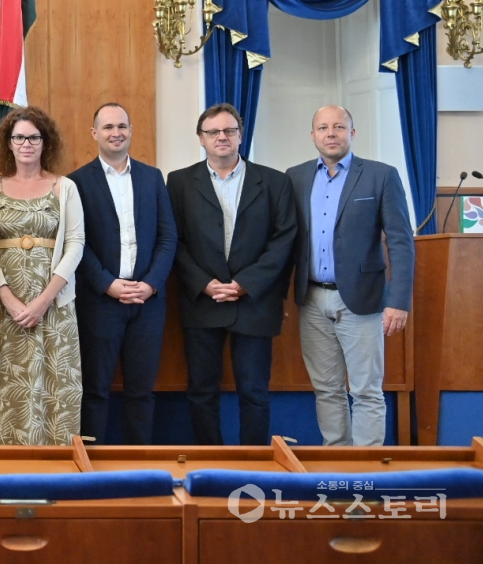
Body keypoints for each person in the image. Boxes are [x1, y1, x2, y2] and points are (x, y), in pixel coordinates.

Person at [167, 103, 297, 446]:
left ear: (241, 135)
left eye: (229, 131)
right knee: (201, 390)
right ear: (201, 139)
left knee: (254, 391)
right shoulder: (179, 182)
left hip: (254, 300)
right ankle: (210, 461)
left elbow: (283, 241)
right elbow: (173, 241)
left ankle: (253, 465)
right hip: (202, 300)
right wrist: (204, 283)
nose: (221, 137)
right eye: (213, 132)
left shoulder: (274, 182)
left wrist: (245, 284)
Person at [287, 105, 414, 446]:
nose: (331, 133)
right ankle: (337, 463)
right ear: (313, 135)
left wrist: (398, 301)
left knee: (366, 390)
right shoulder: (295, 177)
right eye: (323, 127)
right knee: (326, 390)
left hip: (363, 298)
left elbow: (401, 241)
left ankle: (367, 471)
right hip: (311, 298)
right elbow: (286, 239)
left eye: (339, 127)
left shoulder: (380, 175)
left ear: (352, 133)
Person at [0, 106, 85, 445]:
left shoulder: (64, 187)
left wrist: (42, 301)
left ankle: (54, 472)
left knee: (53, 388)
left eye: (33, 137)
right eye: (19, 137)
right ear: (8, 143)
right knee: (8, 387)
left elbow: (76, 244)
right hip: (2, 308)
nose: (26, 143)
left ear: (44, 142)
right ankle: (3, 472)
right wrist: (8, 298)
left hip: (53, 306)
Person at [69, 102, 177, 445]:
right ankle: (88, 469)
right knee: (95, 390)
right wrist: (107, 284)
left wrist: (150, 284)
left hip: (147, 303)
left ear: (130, 130)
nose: (116, 133)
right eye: (108, 127)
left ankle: (139, 467)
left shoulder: (152, 177)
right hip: (100, 301)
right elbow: (77, 243)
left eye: (122, 126)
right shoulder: (77, 183)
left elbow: (167, 236)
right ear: (94, 133)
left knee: (141, 392)